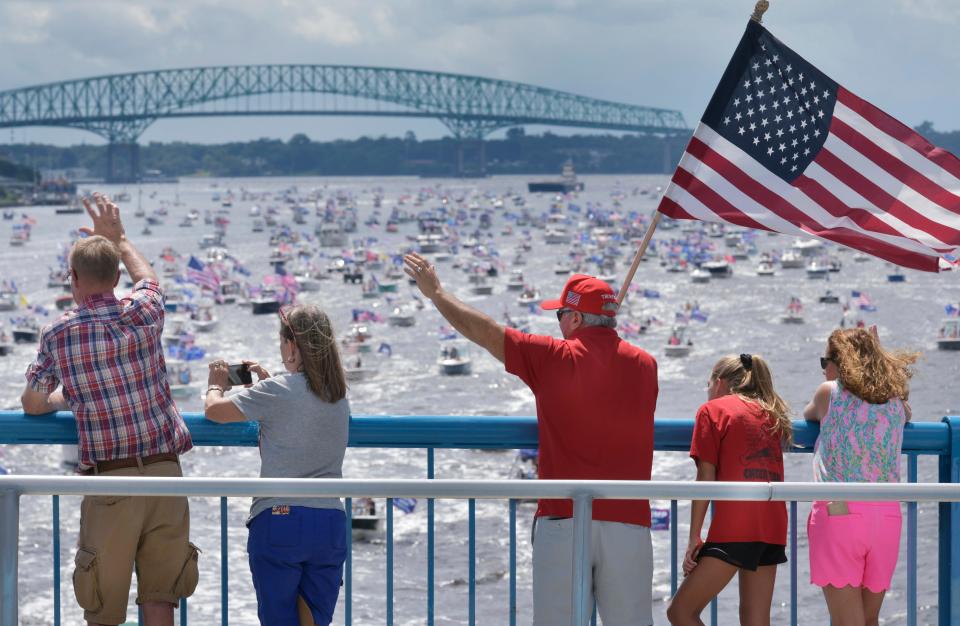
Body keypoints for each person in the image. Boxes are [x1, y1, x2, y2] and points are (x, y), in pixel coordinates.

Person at [403, 252, 658, 626]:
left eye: (559, 316)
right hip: (630, 520)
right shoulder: (646, 365)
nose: (557, 324)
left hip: (564, 518)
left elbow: (485, 331)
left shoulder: (553, 358)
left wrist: (437, 293)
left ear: (574, 318)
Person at [21, 193, 196, 626]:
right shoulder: (145, 312)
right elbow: (150, 278)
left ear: (73, 280)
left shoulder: (59, 333)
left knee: (103, 607)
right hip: (165, 474)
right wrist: (119, 239)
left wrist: (69, 396)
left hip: (111, 481)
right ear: (116, 276)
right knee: (161, 599)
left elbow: (34, 402)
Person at [204, 303, 349, 626]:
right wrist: (267, 385)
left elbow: (215, 411)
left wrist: (216, 383)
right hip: (329, 524)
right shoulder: (338, 395)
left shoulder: (278, 391)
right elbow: (297, 413)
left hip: (280, 520)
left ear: (293, 346)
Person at [803, 327, 917, 626]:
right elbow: (903, 413)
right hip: (887, 516)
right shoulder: (896, 404)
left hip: (839, 513)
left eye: (825, 360)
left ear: (840, 362)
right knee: (869, 619)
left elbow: (809, 414)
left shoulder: (829, 393)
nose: (824, 368)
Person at [667, 354, 792, 626]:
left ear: (720, 383)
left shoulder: (712, 411)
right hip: (772, 526)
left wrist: (694, 538)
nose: (708, 389)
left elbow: (705, 476)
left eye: (708, 382)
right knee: (755, 620)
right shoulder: (770, 411)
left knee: (680, 612)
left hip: (735, 528)